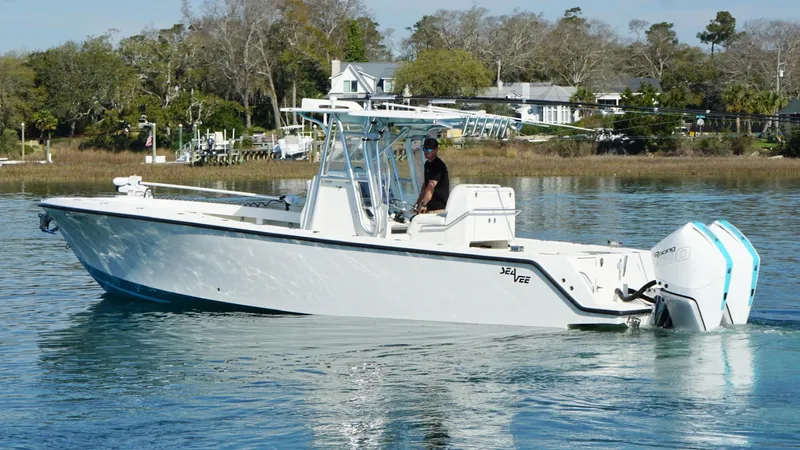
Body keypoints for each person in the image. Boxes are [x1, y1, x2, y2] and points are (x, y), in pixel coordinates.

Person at [413, 137, 449, 214]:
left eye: (429, 150)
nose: (426, 152)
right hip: (428, 207)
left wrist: (423, 204)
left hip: (438, 209)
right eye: (424, 149)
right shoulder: (427, 164)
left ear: (436, 150)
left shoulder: (438, 165)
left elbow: (431, 187)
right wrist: (417, 204)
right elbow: (425, 186)